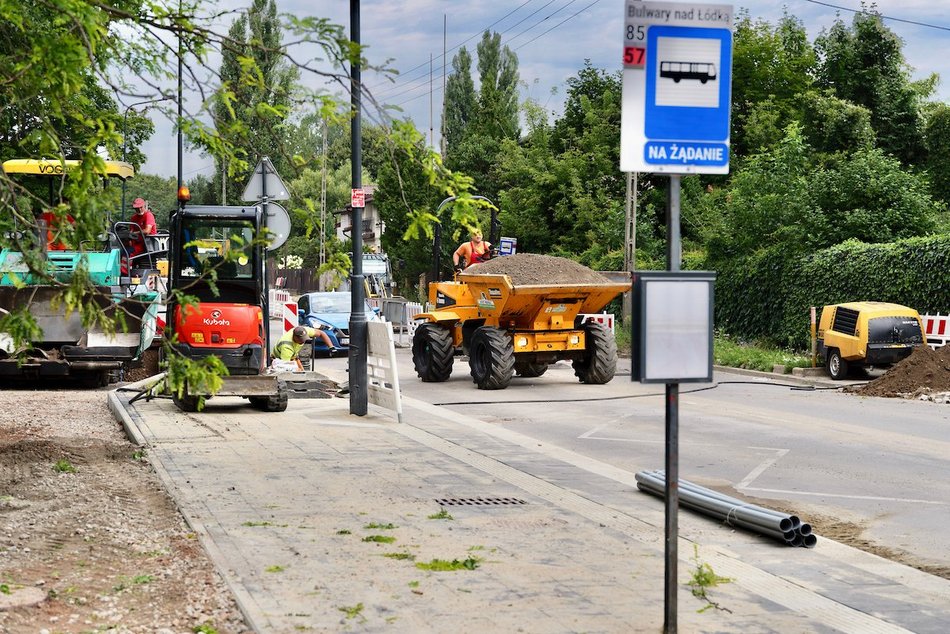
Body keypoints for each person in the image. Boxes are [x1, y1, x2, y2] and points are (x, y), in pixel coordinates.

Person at [272, 326, 337, 369]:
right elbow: (286, 367)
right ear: (295, 337)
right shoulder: (286, 346)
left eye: (304, 339)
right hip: (278, 360)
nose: (303, 341)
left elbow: (321, 333)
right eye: (301, 340)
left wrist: (331, 347)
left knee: (302, 372)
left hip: (293, 355)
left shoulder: (304, 331)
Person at [125, 197, 157, 271]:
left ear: (144, 206)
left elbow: (147, 231)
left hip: (147, 245)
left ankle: (125, 273)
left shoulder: (148, 215)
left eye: (141, 207)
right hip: (137, 243)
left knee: (127, 252)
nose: (139, 210)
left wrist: (135, 233)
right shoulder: (134, 218)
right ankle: (128, 271)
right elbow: (131, 232)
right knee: (122, 250)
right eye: (137, 208)